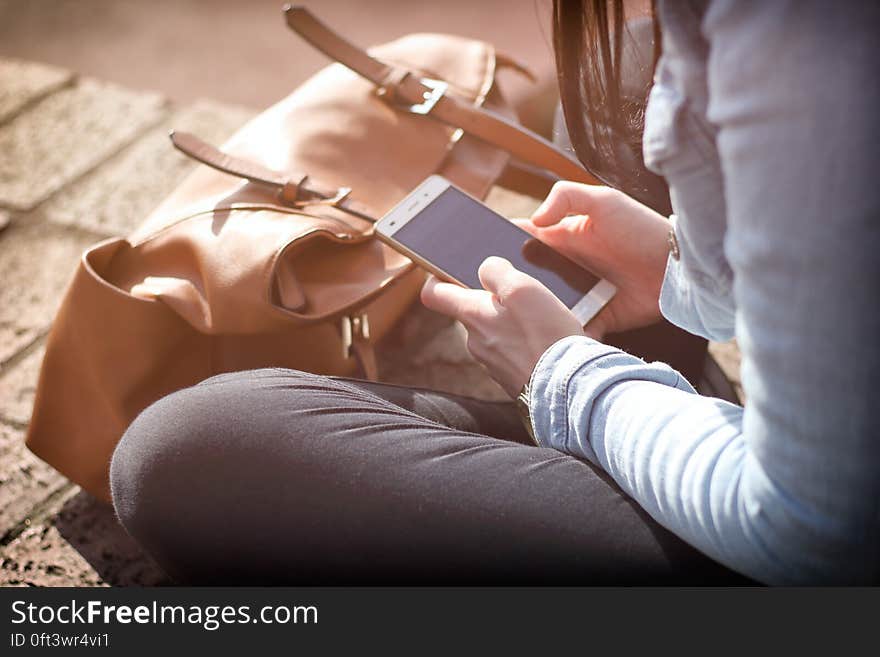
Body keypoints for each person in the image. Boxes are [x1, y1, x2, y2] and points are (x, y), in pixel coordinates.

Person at [109, 0, 879, 584]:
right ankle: (668, 407)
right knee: (620, 70)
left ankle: (644, 417)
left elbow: (814, 529)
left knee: (189, 451)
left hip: (807, 546)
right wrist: (686, 276)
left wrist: (566, 376)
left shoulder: (794, 50)